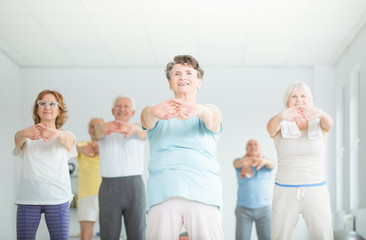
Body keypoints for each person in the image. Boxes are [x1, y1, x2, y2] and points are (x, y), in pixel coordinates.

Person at [141, 55, 224, 240]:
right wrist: (154, 112)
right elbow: (146, 117)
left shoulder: (208, 110)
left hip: (203, 193)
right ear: (170, 83)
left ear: (199, 82)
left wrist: (198, 110)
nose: (182, 77)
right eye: (176, 74)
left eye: (188, 73)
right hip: (163, 192)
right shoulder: (159, 110)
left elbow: (214, 120)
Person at [266, 82, 334, 240]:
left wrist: (319, 113)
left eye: (303, 96)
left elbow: (329, 123)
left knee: (323, 235)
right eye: (294, 96)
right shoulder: (280, 123)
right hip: (285, 190)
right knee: (279, 236)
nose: (299, 100)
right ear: (287, 101)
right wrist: (282, 116)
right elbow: (269, 128)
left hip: (316, 189)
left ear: (310, 100)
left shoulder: (319, 123)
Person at [13, 89, 77, 240]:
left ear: (59, 111)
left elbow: (68, 140)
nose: (47, 107)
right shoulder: (27, 136)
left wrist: (56, 133)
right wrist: (22, 133)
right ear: (37, 109)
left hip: (58, 199)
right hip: (28, 199)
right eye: (42, 103)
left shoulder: (66, 135)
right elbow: (17, 139)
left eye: (52, 104)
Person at [95, 96, 146, 240]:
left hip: (134, 187)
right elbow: (97, 132)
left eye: (126, 106)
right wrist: (104, 128)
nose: (122, 109)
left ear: (132, 112)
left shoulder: (138, 129)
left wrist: (132, 128)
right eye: (118, 106)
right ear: (112, 110)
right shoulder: (104, 130)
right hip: (109, 188)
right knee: (108, 234)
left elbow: (144, 132)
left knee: (137, 233)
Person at [233, 139, 274, 240]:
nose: (253, 146)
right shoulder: (240, 162)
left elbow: (271, 164)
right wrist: (246, 162)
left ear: (260, 148)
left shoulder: (266, 163)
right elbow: (236, 163)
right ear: (246, 148)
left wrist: (262, 161)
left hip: (264, 210)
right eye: (250, 144)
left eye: (255, 144)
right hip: (243, 210)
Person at [76, 118, 104, 240]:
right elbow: (71, 149)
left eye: (99, 125)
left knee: (110, 233)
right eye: (92, 126)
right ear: (89, 130)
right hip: (86, 196)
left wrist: (102, 149)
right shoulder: (81, 145)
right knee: (86, 235)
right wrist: (83, 149)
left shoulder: (111, 146)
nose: (95, 128)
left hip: (108, 195)